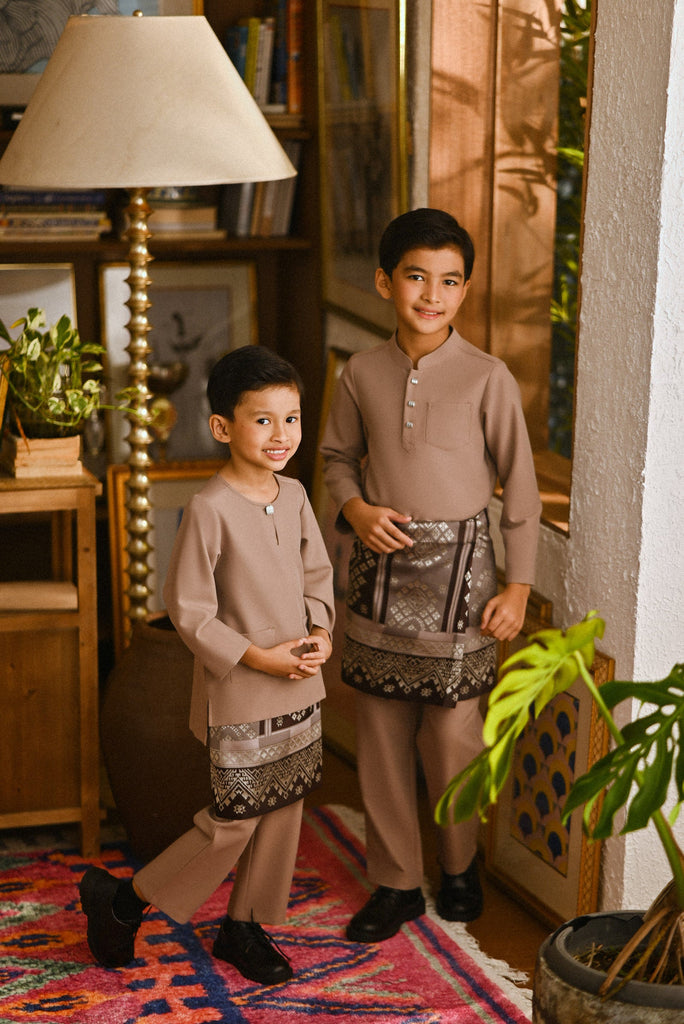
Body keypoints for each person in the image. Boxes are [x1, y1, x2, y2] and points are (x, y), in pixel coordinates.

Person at [80, 346, 334, 983]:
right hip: (242, 688)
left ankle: (243, 927)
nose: (281, 434)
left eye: (292, 419)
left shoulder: (296, 494)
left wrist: (322, 630)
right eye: (263, 420)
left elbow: (317, 573)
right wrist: (258, 658)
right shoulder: (209, 508)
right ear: (223, 427)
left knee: (284, 809)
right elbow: (189, 609)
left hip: (300, 683)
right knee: (233, 822)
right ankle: (124, 901)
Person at [320, 208, 541, 942]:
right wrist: (355, 510)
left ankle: (458, 867)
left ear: (465, 290)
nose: (432, 294)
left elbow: (521, 486)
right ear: (386, 282)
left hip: (464, 579)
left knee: (453, 738)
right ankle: (394, 883)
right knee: (381, 738)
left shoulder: (488, 377)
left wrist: (518, 586)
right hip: (380, 571)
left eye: (449, 281)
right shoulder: (359, 373)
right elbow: (335, 460)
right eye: (417, 277)